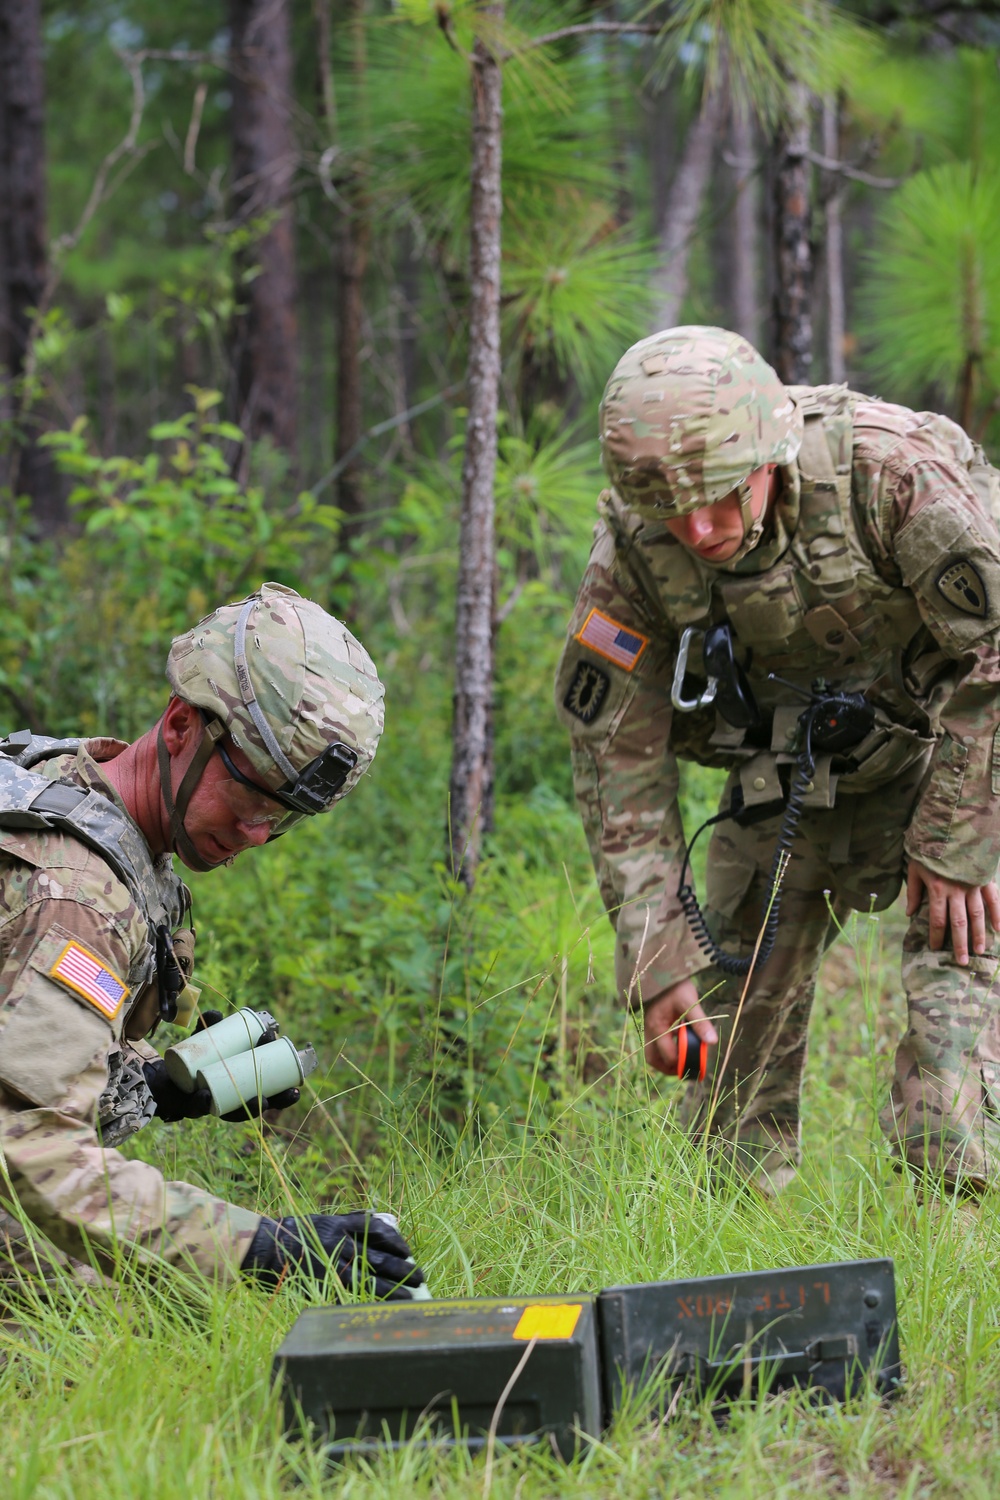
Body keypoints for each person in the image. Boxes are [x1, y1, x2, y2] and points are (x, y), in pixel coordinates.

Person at [555, 326, 1000, 1197]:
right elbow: (616, 752)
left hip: (953, 762)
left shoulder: (890, 474)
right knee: (726, 1064)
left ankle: (959, 1243)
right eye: (668, 509)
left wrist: (957, 844)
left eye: (722, 494)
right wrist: (655, 951)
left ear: (773, 449)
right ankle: (746, 1250)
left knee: (957, 1039)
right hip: (788, 776)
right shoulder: (638, 550)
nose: (700, 528)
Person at [0, 582, 423, 1298]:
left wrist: (161, 1087)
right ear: (179, 728)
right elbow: (31, 1149)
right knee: (111, 1322)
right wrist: (262, 1247)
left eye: (283, 817)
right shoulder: (77, 896)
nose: (258, 834)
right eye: (253, 795)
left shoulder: (61, 783)